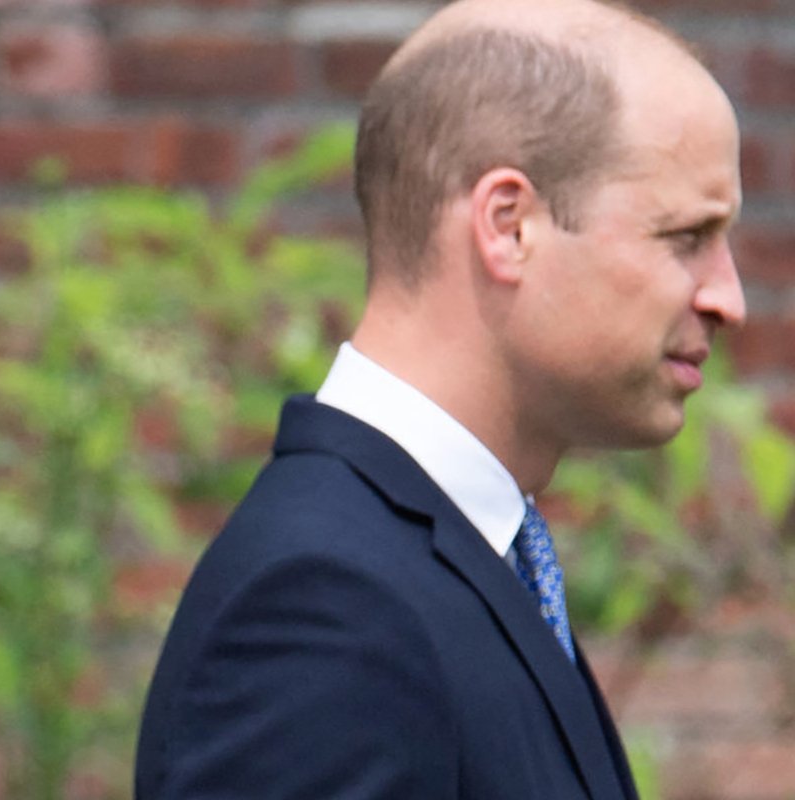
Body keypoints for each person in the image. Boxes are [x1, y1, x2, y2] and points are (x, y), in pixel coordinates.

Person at [135, 0, 744, 797]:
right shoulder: (326, 610)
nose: (728, 298)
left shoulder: (459, 563)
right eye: (686, 238)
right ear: (508, 225)